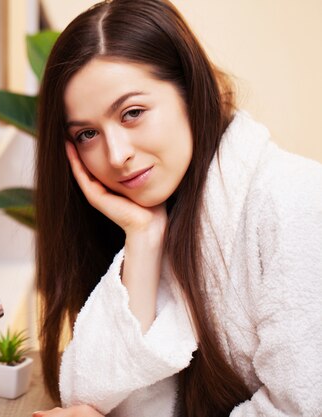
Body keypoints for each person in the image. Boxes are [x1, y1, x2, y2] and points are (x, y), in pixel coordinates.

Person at [31, 1, 322, 416]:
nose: (116, 155)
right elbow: (96, 399)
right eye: (87, 134)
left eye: (132, 113)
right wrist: (144, 240)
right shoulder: (154, 217)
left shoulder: (296, 202)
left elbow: (301, 408)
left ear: (189, 90)